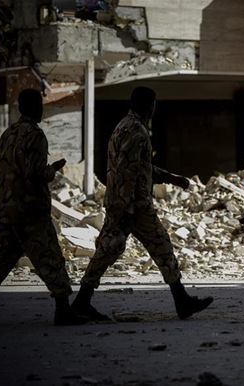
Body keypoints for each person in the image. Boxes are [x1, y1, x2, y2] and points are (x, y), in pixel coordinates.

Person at [72, 87, 213, 321]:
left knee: (116, 250)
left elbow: (140, 169)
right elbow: (129, 172)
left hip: (124, 203)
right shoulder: (137, 132)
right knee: (154, 247)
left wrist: (171, 179)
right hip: (133, 206)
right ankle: (181, 301)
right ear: (150, 105)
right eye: (154, 104)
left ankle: (82, 301)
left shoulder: (123, 126)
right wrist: (127, 208)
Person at [0, 89, 87, 326]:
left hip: (6, 208)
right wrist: (52, 169)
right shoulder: (35, 135)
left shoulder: (7, 134)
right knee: (50, 257)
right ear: (35, 107)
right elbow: (34, 173)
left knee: (0, 260)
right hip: (30, 211)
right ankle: (63, 309)